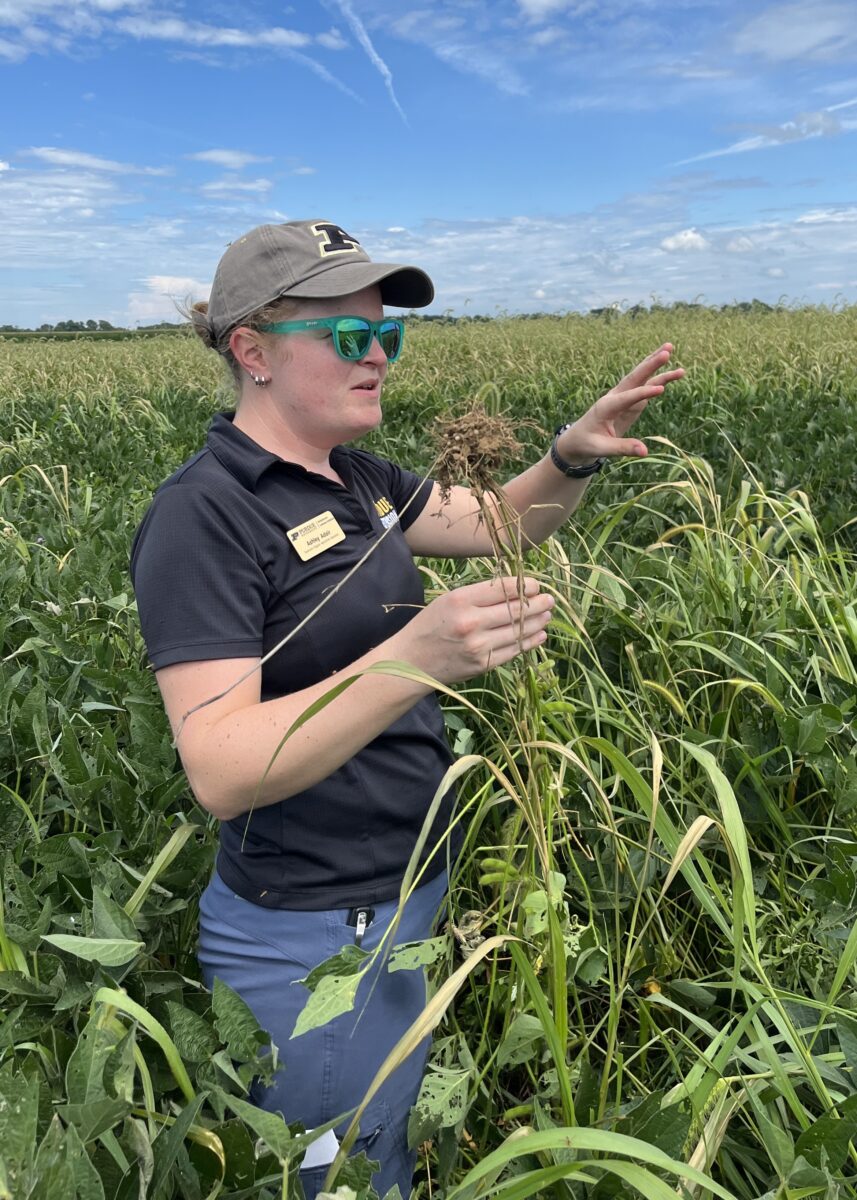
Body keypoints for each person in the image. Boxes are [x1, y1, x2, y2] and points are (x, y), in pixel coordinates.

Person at [129, 218, 683, 1199]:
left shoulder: (360, 478)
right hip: (309, 935)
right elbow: (216, 766)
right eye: (348, 335)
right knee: (337, 1176)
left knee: (378, 1148)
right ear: (252, 351)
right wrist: (415, 653)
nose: (378, 354)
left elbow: (503, 523)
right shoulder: (205, 513)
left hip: (399, 900)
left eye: (388, 333)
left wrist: (572, 452)